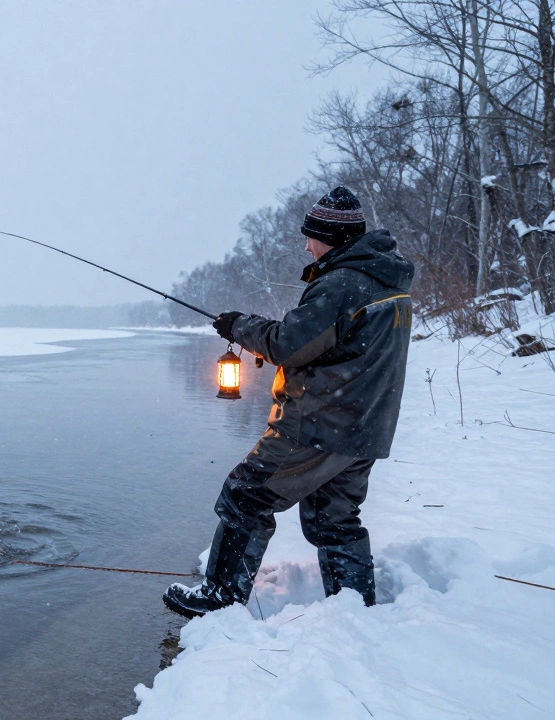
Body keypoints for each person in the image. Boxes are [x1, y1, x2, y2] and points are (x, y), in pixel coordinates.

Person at [163, 186, 414, 618]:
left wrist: (239, 326)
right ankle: (355, 609)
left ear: (330, 237)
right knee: (335, 520)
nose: (306, 246)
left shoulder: (342, 283)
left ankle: (220, 598)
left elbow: (288, 344)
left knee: (246, 495)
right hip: (366, 427)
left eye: (310, 236)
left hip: (318, 424)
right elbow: (329, 345)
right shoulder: (384, 282)